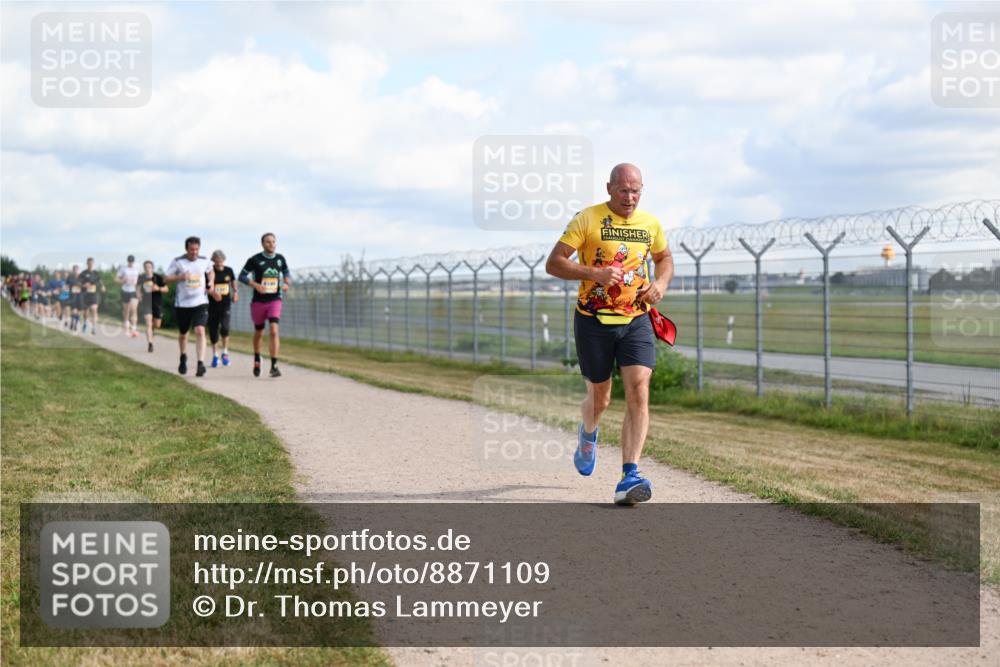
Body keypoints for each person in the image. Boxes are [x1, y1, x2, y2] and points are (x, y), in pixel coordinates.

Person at [544, 163, 674, 506]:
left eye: (636, 191)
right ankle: (588, 434)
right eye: (623, 190)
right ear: (609, 188)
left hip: (637, 320)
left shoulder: (650, 224)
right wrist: (595, 273)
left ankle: (629, 474)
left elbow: (664, 258)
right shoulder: (587, 219)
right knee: (600, 399)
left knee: (639, 389)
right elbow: (554, 263)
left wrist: (660, 283)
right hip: (593, 321)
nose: (630, 197)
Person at [239, 233, 290, 378]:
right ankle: (257, 357)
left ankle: (274, 365)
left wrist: (286, 283)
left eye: (273, 242)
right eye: (268, 242)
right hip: (258, 301)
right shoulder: (255, 259)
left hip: (275, 299)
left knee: (274, 330)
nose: (271, 244)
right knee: (259, 332)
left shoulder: (280, 259)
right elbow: (242, 276)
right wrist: (255, 285)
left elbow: (286, 272)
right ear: (262, 244)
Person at [164, 237, 214, 376]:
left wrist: (211, 282)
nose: (194, 252)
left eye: (197, 249)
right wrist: (179, 277)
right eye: (191, 250)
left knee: (200, 330)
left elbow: (211, 271)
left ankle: (200, 363)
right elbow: (165, 278)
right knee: (183, 334)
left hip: (200, 301)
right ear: (186, 249)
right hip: (183, 304)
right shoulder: (178, 261)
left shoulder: (204, 260)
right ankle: (183, 357)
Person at [207, 250, 238, 368]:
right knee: (214, 330)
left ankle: (225, 353)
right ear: (213, 260)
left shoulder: (229, 270)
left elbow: (233, 282)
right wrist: (212, 292)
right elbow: (206, 286)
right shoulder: (210, 272)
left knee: (225, 328)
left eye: (221, 261)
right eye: (217, 261)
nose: (220, 263)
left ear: (224, 260)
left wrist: (235, 292)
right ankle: (215, 355)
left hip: (225, 304)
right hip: (212, 305)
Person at [137, 260, 166, 353]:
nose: (147, 269)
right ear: (144, 268)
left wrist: (159, 288)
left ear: (152, 268)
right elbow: (137, 288)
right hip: (146, 302)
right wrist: (138, 295)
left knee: (157, 325)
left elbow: (166, 289)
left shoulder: (158, 277)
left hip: (157, 303)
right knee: (148, 322)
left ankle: (152, 330)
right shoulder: (141, 277)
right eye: (146, 267)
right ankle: (150, 344)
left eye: (149, 267)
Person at [78, 258, 105, 336]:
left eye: (92, 263)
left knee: (94, 309)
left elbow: (100, 281)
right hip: (85, 294)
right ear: (87, 264)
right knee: (86, 312)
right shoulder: (83, 273)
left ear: (93, 264)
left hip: (94, 294)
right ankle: (85, 322)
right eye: (89, 263)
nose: (90, 264)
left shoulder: (96, 273)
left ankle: (93, 327)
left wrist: (103, 286)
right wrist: (83, 285)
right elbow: (78, 282)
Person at [116, 255, 140, 338]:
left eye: (132, 261)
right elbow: (116, 279)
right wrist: (122, 280)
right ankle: (126, 329)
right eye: (129, 261)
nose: (131, 262)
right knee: (127, 310)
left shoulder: (136, 270)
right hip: (125, 291)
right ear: (127, 261)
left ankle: (134, 329)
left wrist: (138, 292)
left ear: (134, 261)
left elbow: (138, 282)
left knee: (134, 309)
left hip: (133, 291)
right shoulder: (123, 269)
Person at [66, 265, 81, 330]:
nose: (76, 270)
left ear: (79, 270)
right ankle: (72, 322)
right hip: (72, 295)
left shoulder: (81, 277)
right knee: (74, 310)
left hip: (80, 296)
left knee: (78, 311)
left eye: (77, 269)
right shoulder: (70, 277)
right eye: (74, 269)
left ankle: (76, 324)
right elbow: (66, 285)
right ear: (73, 270)